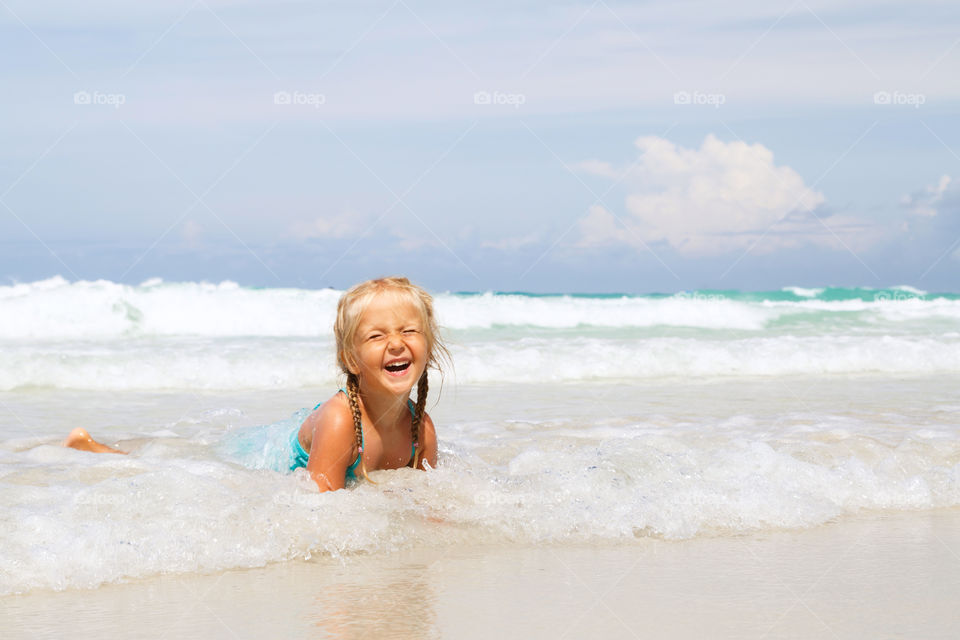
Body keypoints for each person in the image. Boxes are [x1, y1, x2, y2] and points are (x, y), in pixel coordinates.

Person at [63, 276, 450, 492]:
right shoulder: (340, 424)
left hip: (287, 432)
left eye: (409, 331)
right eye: (376, 336)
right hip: (259, 455)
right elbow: (321, 516)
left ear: (428, 346)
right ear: (350, 359)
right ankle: (93, 448)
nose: (396, 343)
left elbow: (426, 503)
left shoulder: (421, 429)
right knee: (179, 470)